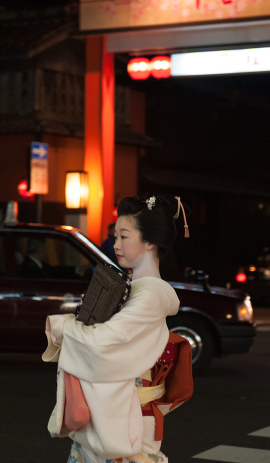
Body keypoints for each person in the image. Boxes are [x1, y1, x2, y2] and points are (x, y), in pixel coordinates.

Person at [43, 194, 193, 462]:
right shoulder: (137, 289)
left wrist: (63, 326)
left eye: (124, 237)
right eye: (115, 237)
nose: (116, 245)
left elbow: (104, 341)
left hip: (127, 413)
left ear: (149, 242)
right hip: (116, 409)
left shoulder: (151, 295)